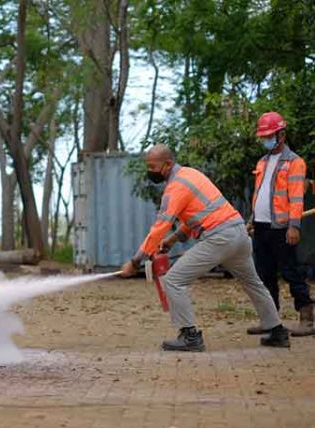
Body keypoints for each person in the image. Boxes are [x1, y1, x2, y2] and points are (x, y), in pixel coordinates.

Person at [120, 144, 289, 351]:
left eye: (152, 166)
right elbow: (196, 215)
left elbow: (159, 227)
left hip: (220, 238)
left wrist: (136, 261)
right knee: (253, 283)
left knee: (173, 280)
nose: (150, 171)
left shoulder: (175, 187)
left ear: (168, 164)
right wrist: (173, 239)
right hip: (238, 234)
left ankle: (190, 337)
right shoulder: (191, 174)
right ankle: (277, 331)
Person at [246, 112, 314, 336]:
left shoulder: (294, 162)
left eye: (269, 135)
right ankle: (270, 320)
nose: (266, 139)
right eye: (263, 136)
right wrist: (252, 220)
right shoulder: (262, 162)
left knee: (291, 272)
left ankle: (307, 318)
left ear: (281, 135)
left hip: (283, 228)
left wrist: (294, 226)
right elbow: (260, 194)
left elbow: (296, 197)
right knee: (265, 274)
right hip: (261, 226)